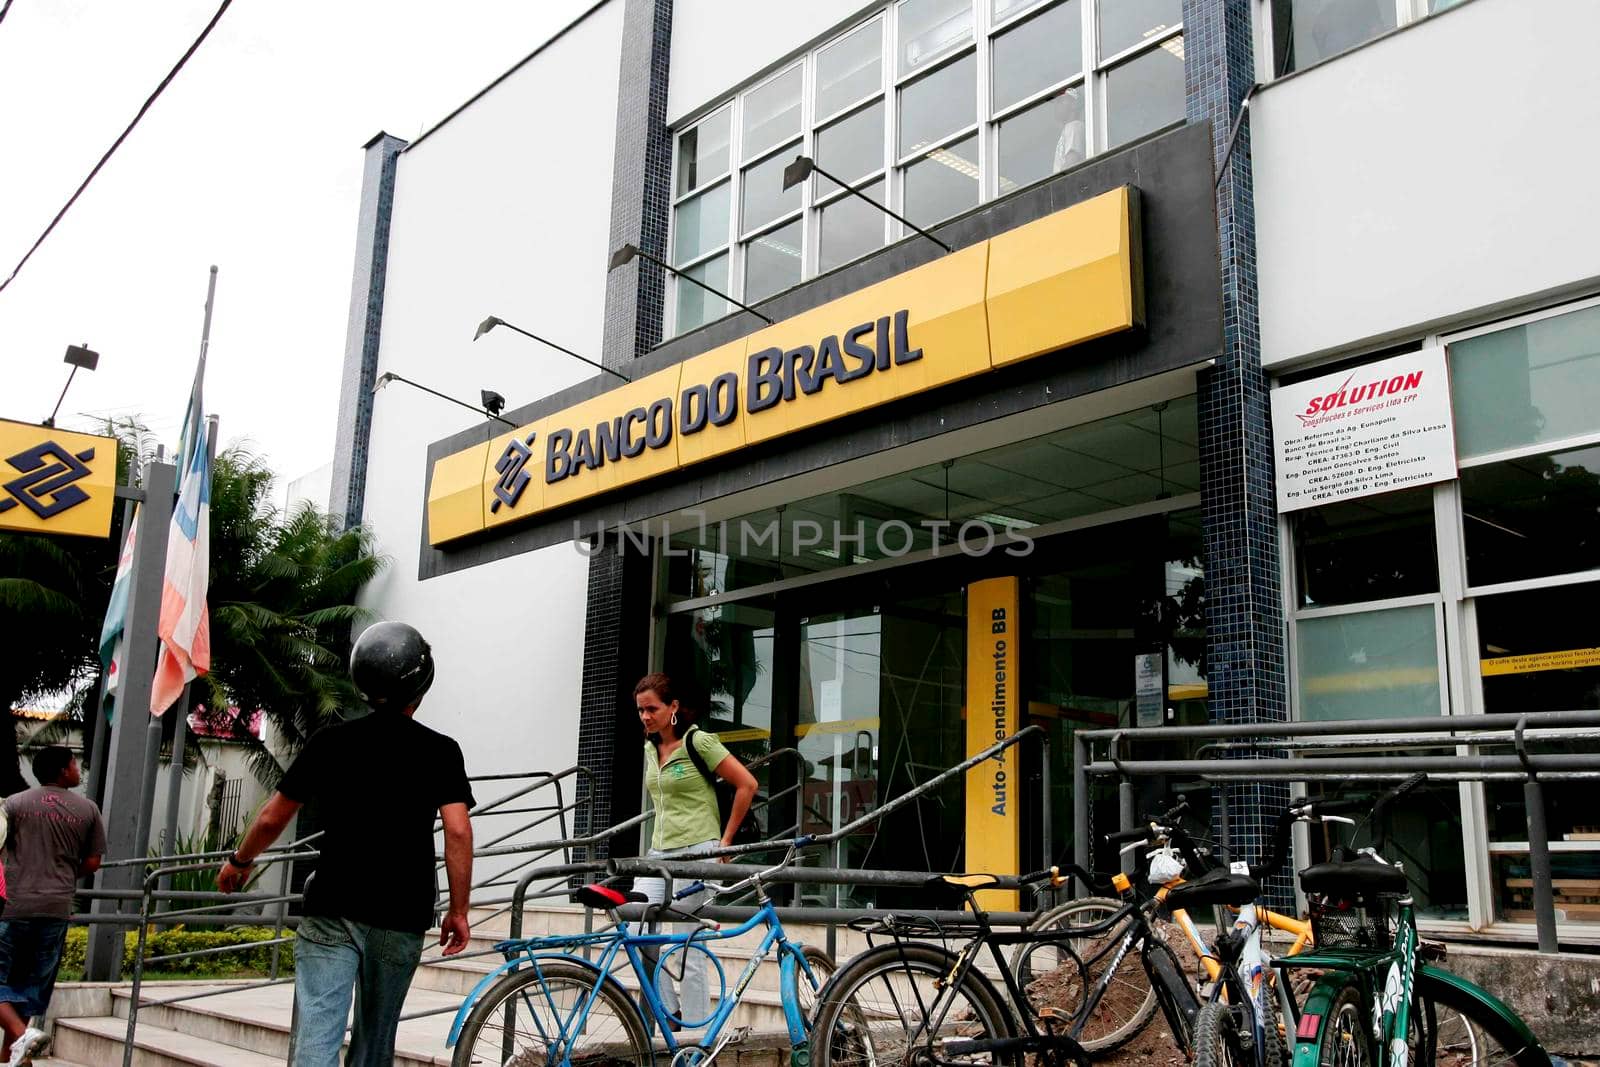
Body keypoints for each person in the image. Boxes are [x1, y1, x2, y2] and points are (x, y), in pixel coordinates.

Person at [217, 622, 475, 1067]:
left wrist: (240, 861)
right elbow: (457, 830)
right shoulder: (441, 750)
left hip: (333, 904)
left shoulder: (331, 741)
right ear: (421, 685)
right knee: (375, 1040)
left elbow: (274, 815)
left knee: (317, 1030)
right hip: (401, 911)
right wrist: (458, 910)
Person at [633, 673, 758, 1032]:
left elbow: (746, 784)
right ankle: (669, 1015)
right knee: (638, 934)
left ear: (672, 707)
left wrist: (725, 841)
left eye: (651, 709)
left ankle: (696, 1033)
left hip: (698, 851)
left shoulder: (698, 741)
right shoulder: (648, 747)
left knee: (688, 944)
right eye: (640, 710)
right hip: (658, 853)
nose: (645, 716)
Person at [0, 747, 106, 1067]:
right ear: (63, 771)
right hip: (56, 907)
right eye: (74, 764)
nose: (78, 770)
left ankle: (19, 1034)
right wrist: (59, 870)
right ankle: (18, 1050)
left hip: (13, 905)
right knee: (31, 987)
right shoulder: (88, 809)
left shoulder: (15, 804)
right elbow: (92, 862)